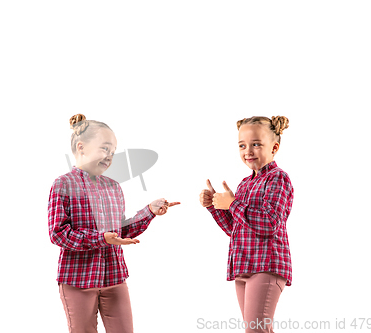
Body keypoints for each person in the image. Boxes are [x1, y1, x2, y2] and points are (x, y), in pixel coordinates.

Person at [48, 114, 180, 333]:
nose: (110, 156)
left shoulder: (113, 187)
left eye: (113, 151)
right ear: (81, 147)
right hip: (78, 279)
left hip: (114, 276)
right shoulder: (63, 185)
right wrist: (101, 238)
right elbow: (58, 234)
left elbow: (121, 231)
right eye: (105, 148)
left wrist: (149, 211)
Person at [199, 116, 294, 333]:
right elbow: (235, 229)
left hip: (267, 265)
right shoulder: (244, 184)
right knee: (257, 330)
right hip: (244, 266)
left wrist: (232, 203)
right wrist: (215, 205)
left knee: (256, 330)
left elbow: (270, 223)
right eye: (242, 145)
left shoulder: (278, 179)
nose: (248, 151)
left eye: (256, 144)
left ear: (274, 148)